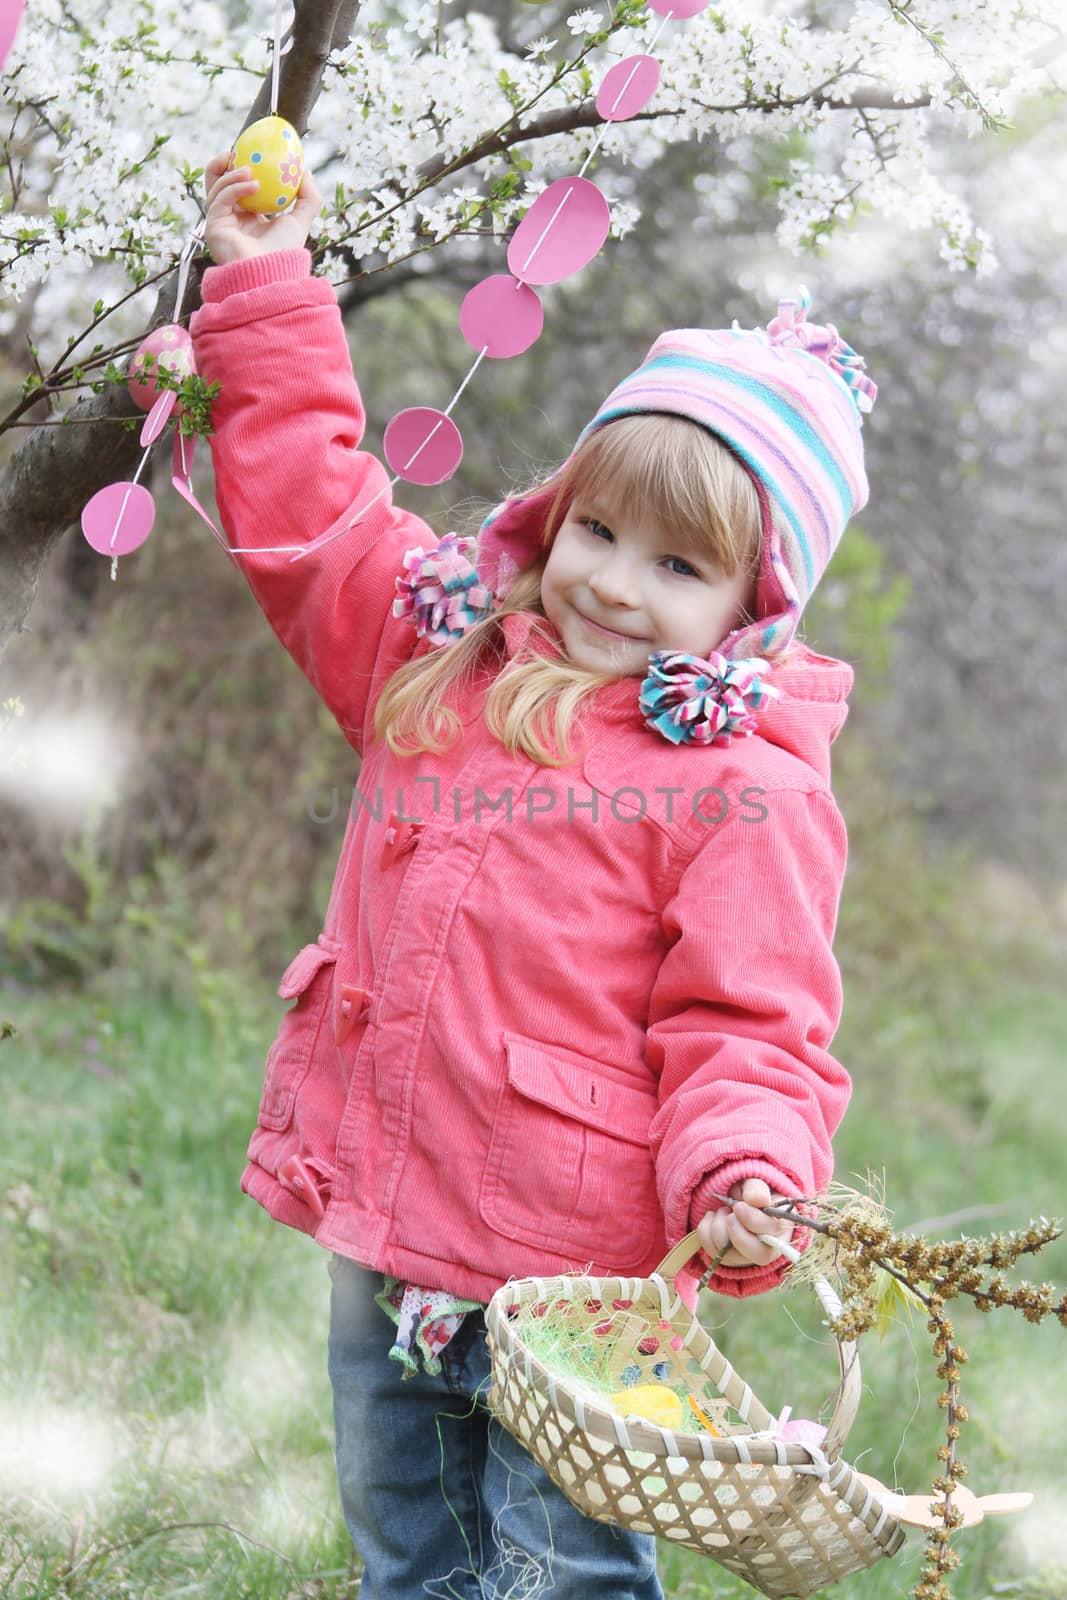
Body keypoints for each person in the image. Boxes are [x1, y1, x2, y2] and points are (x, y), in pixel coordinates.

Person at [191, 148, 878, 1600]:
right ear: (553, 511)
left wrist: (749, 1170)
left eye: (679, 566)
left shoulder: (744, 790)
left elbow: (748, 1024)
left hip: (573, 1283)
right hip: (391, 1229)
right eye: (600, 528)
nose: (616, 583)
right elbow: (313, 515)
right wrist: (263, 284)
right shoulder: (437, 657)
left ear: (753, 603)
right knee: (408, 1548)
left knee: (564, 1565)